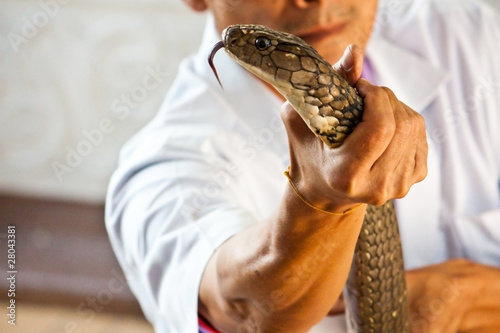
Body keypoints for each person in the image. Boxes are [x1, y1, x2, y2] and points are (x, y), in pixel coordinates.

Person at [105, 0, 500, 332]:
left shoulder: (476, 36)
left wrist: (471, 296)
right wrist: (321, 201)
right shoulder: (163, 168)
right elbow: (243, 307)